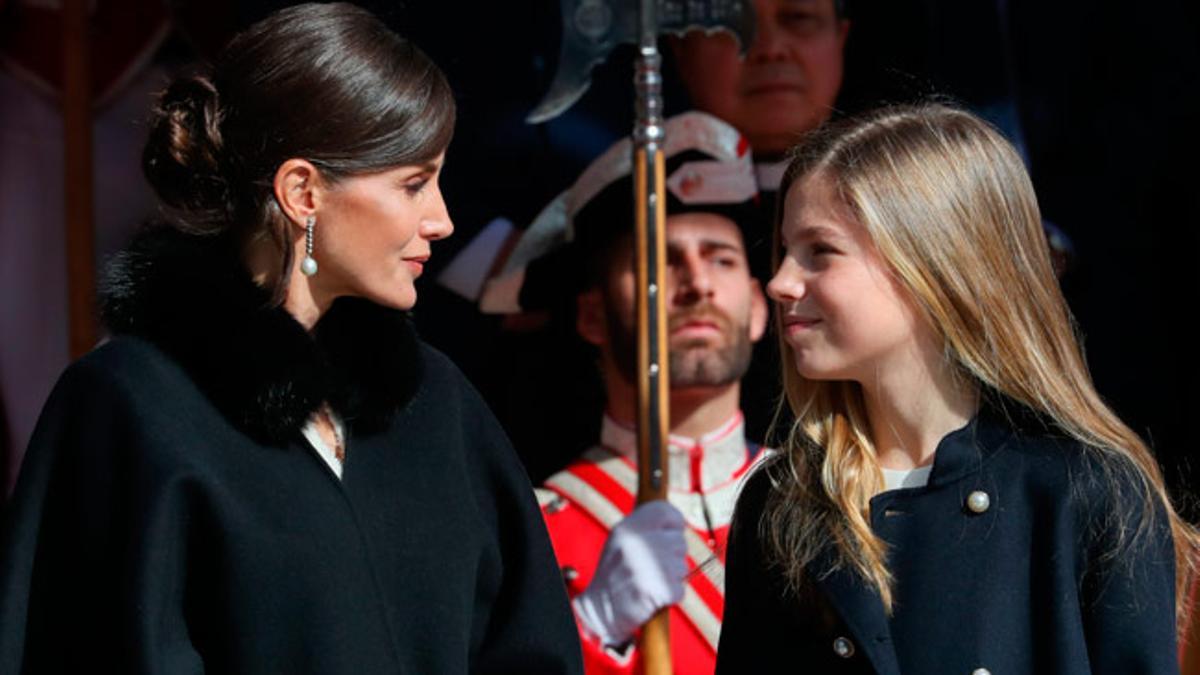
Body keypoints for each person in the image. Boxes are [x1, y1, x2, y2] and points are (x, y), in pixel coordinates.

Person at [0, 4, 582, 673]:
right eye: (414, 184)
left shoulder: (440, 405)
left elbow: (529, 646)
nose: (443, 220)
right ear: (304, 191)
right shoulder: (131, 407)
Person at [715, 103, 1197, 674]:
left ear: (931, 262)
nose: (780, 282)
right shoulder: (783, 500)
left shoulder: (1083, 492)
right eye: (786, 250)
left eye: (821, 251)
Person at [483, 112, 769, 674]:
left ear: (759, 307)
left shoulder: (827, 494)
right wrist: (592, 631)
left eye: (721, 258)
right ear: (591, 315)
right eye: (660, 263)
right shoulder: (534, 533)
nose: (697, 283)